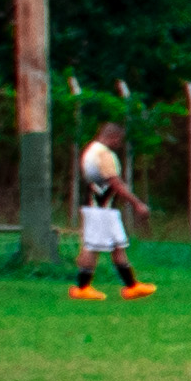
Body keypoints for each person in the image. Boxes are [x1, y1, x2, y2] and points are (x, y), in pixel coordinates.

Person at [64, 122, 140, 298]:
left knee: (117, 245)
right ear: (113, 137)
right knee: (92, 246)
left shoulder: (91, 150)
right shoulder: (103, 154)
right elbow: (114, 182)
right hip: (100, 208)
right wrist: (136, 203)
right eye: (119, 140)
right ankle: (82, 287)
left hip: (103, 208)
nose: (119, 144)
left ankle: (131, 285)